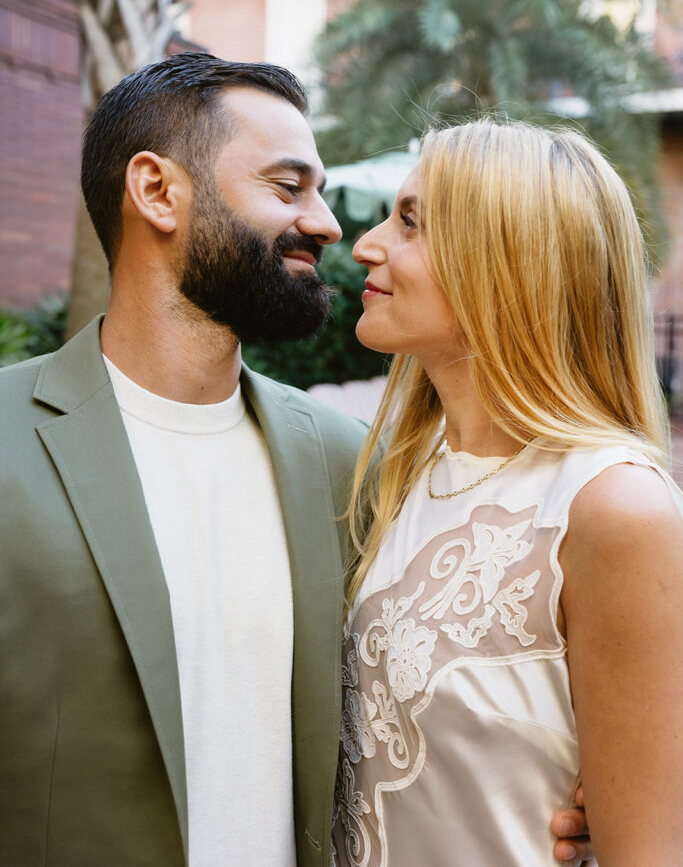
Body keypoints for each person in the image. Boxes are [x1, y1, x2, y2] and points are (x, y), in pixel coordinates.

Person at [0, 55, 591, 867]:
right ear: (156, 191)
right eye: (288, 187)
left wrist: (580, 783)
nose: (328, 225)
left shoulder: (355, 464)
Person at [334, 118, 683, 867]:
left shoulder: (611, 506)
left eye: (409, 223)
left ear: (507, 263)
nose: (365, 246)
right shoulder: (401, 468)